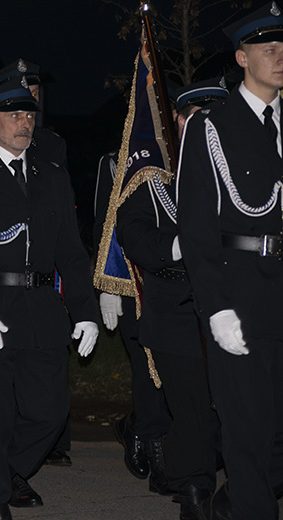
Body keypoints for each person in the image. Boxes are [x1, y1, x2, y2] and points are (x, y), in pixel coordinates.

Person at [0, 78, 99, 520]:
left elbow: (71, 251)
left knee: (50, 413)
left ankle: (2, 471)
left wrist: (85, 311)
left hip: (42, 308)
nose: (24, 123)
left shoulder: (52, 175)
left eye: (28, 115)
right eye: (13, 115)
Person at [177, 4, 283, 518]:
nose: (281, 57)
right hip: (240, 293)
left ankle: (236, 502)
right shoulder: (211, 128)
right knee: (249, 430)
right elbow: (196, 229)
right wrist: (215, 307)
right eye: (270, 49)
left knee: (275, 437)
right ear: (242, 58)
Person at [116, 78, 228, 518]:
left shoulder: (244, 174)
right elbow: (133, 232)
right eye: (196, 116)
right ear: (177, 120)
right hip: (176, 309)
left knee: (233, 413)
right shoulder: (153, 176)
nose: (206, 125)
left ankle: (180, 462)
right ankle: (195, 494)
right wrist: (182, 244)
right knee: (194, 409)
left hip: (232, 307)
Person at [94, 151, 171, 488]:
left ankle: (137, 426)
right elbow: (105, 220)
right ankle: (156, 449)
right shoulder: (118, 160)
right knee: (145, 364)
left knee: (173, 369)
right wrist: (107, 284)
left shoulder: (187, 153)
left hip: (178, 276)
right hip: (130, 279)